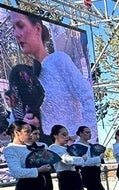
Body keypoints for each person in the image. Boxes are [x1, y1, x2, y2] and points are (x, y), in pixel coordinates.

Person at [10, 12, 98, 141]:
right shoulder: (26, 75)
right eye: (13, 28)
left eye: (20, 25)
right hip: (48, 150)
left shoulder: (58, 60)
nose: (16, 34)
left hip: (74, 150)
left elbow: (87, 96)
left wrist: (84, 140)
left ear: (37, 28)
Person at [75, 125, 112, 190]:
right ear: (81, 133)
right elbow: (84, 162)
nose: (89, 134)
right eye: (86, 132)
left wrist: (99, 159)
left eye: (90, 132)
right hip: (87, 172)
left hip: (95, 172)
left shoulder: (91, 145)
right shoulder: (78, 146)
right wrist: (98, 159)